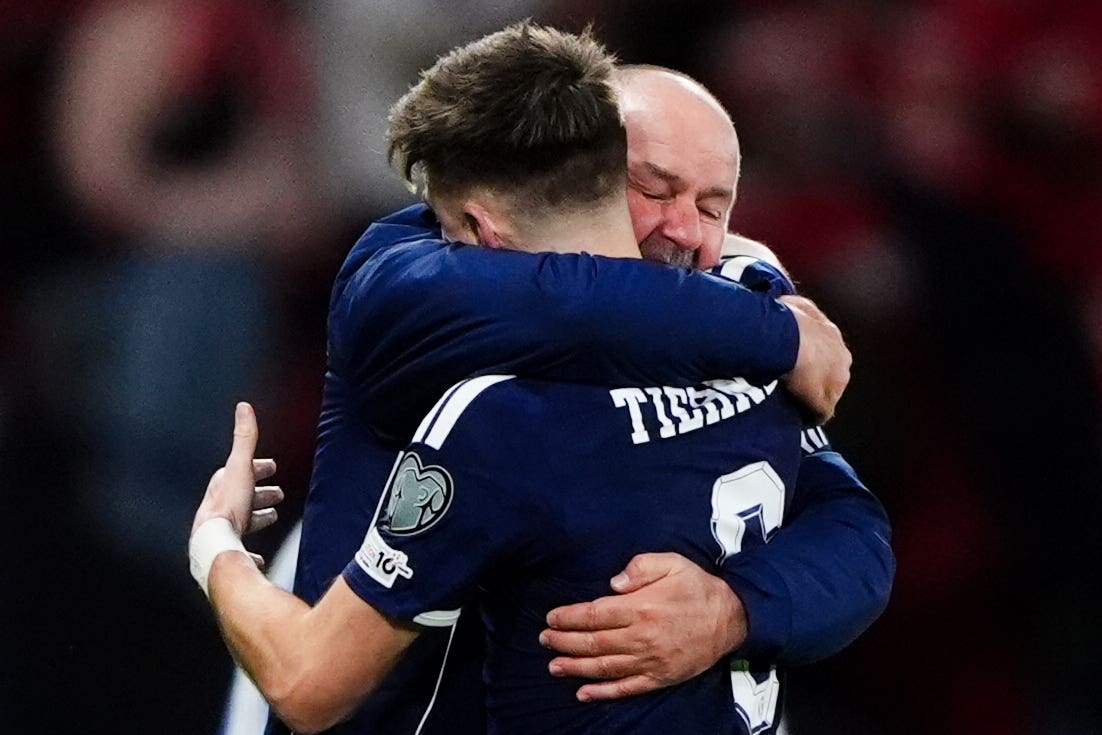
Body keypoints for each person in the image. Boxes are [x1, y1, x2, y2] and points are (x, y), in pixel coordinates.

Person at [193, 23, 889, 735]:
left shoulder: (720, 318)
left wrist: (732, 608)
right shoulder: (405, 283)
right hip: (357, 642)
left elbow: (855, 532)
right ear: (580, 170)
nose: (686, 231)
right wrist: (778, 324)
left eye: (714, 207)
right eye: (653, 189)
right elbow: (572, 296)